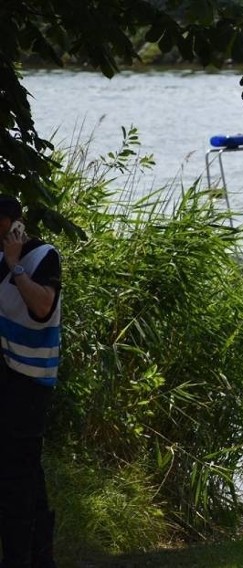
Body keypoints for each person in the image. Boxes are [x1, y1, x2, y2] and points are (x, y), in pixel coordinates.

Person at [0, 195, 61, 567]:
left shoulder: (43, 256)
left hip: (29, 382)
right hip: (4, 378)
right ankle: (41, 557)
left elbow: (42, 308)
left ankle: (18, 558)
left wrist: (15, 265)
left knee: (16, 480)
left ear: (16, 225)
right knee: (25, 475)